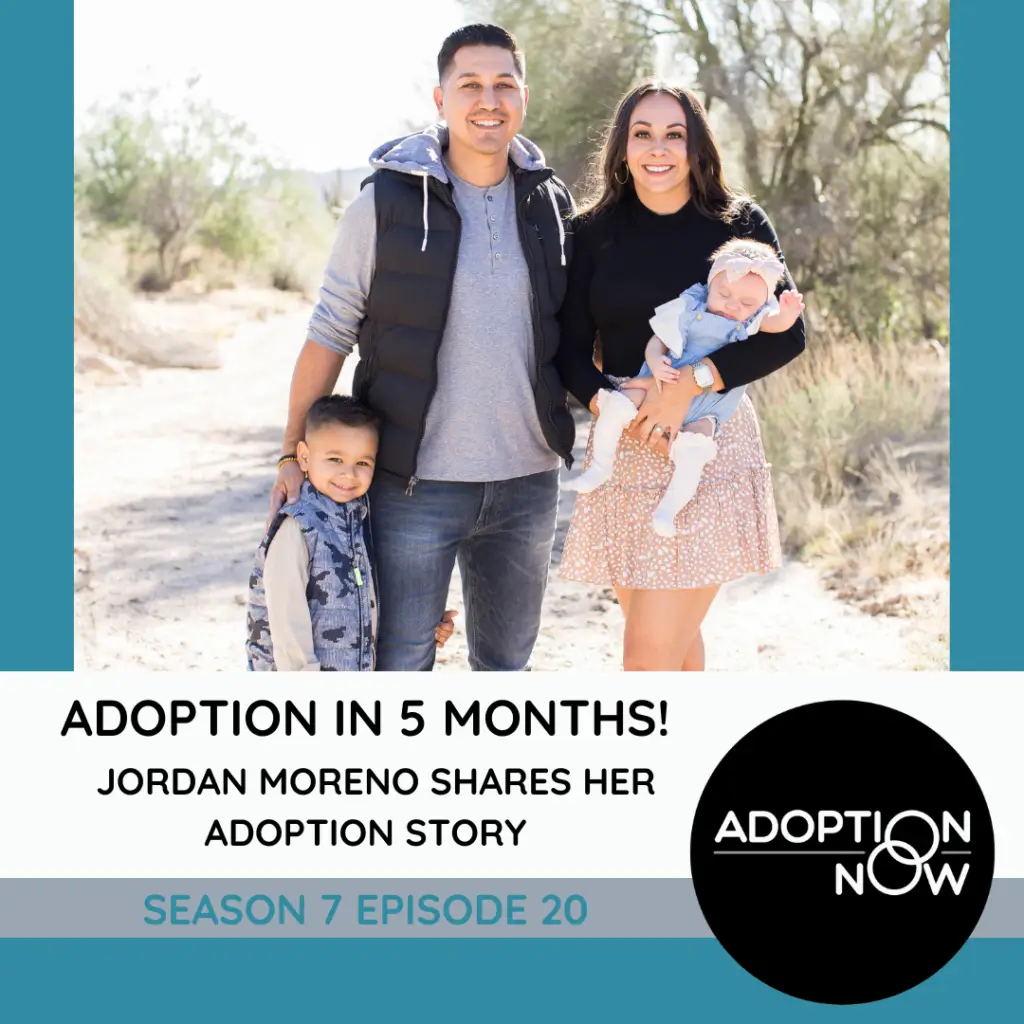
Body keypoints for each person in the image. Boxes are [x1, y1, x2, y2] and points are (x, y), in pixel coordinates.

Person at [267, 24, 577, 672]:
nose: (487, 99)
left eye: (503, 84)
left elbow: (578, 329)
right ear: (440, 99)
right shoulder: (385, 203)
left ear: (524, 96)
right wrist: (290, 453)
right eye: (470, 84)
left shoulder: (548, 202)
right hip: (414, 486)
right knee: (397, 665)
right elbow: (328, 333)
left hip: (527, 481)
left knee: (507, 667)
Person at [555, 79, 807, 672]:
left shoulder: (738, 223)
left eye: (675, 134)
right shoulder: (591, 231)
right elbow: (566, 349)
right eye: (642, 134)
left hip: (707, 448)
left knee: (647, 656)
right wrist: (604, 402)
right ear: (621, 149)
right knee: (672, 647)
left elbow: (790, 333)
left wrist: (689, 386)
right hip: (625, 445)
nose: (658, 148)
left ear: (697, 146)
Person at [569, 238, 804, 536]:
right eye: (724, 294)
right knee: (615, 404)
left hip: (711, 400)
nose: (733, 306)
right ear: (710, 285)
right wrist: (655, 362)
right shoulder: (691, 304)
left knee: (694, 452)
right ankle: (600, 466)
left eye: (747, 303)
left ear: (759, 305)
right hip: (659, 381)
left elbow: (779, 326)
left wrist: (788, 313)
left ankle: (669, 510)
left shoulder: (752, 320)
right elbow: (659, 340)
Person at [247, 396, 456, 672]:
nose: (349, 474)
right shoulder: (296, 525)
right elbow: (286, 620)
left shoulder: (361, 519)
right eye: (335, 459)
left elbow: (372, 597)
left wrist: (426, 622)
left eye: (363, 463)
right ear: (305, 457)